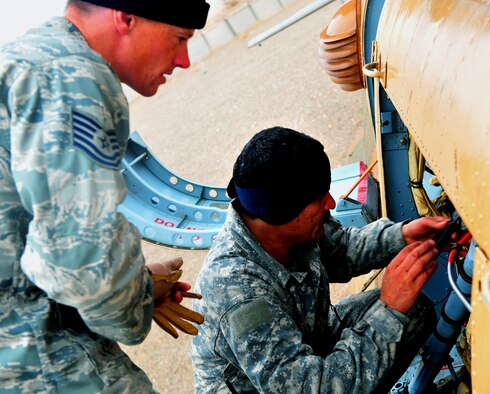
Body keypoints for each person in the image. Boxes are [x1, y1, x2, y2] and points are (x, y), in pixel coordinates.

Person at [0, 0, 209, 392]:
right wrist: (137, 299)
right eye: (179, 39)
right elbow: (83, 262)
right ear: (126, 17)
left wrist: (139, 280)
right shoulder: (74, 77)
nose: (183, 60)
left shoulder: (29, 60)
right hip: (37, 361)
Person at [191, 127, 450, 393]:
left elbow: (340, 249)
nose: (331, 203)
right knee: (394, 315)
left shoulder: (290, 224)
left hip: (306, 343)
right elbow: (310, 388)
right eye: (318, 198)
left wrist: (401, 235)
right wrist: (389, 308)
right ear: (282, 212)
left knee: (412, 311)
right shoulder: (238, 293)